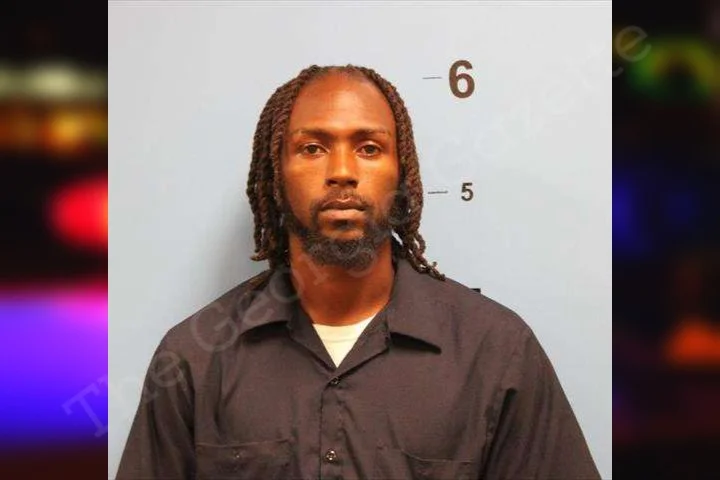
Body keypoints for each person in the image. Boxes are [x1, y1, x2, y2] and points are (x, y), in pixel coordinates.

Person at [116, 64, 601, 479]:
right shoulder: (194, 360)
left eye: (369, 148)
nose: (343, 171)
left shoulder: (496, 353)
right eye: (313, 148)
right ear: (276, 173)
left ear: (401, 172)